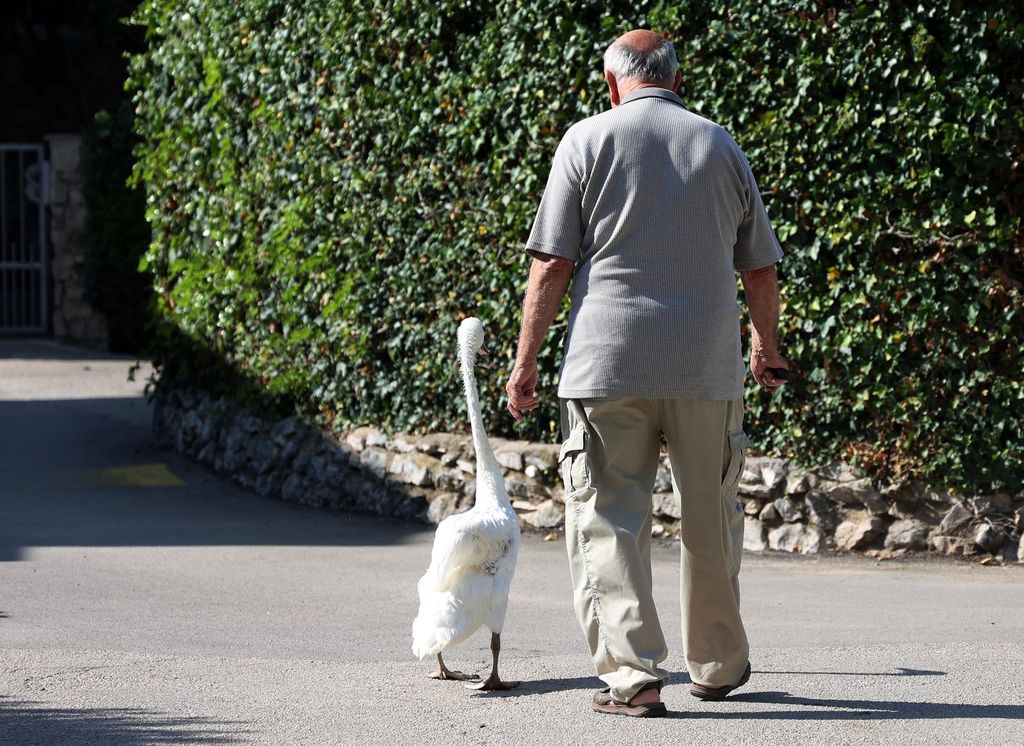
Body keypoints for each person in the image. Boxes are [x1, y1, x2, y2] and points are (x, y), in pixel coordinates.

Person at [505, 29, 788, 718]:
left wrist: (525, 361)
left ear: (612, 83)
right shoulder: (720, 144)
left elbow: (551, 266)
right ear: (676, 79)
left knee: (606, 516)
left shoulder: (585, 140)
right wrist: (766, 345)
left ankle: (634, 678)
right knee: (711, 515)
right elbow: (759, 267)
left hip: (608, 363)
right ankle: (717, 666)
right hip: (705, 364)